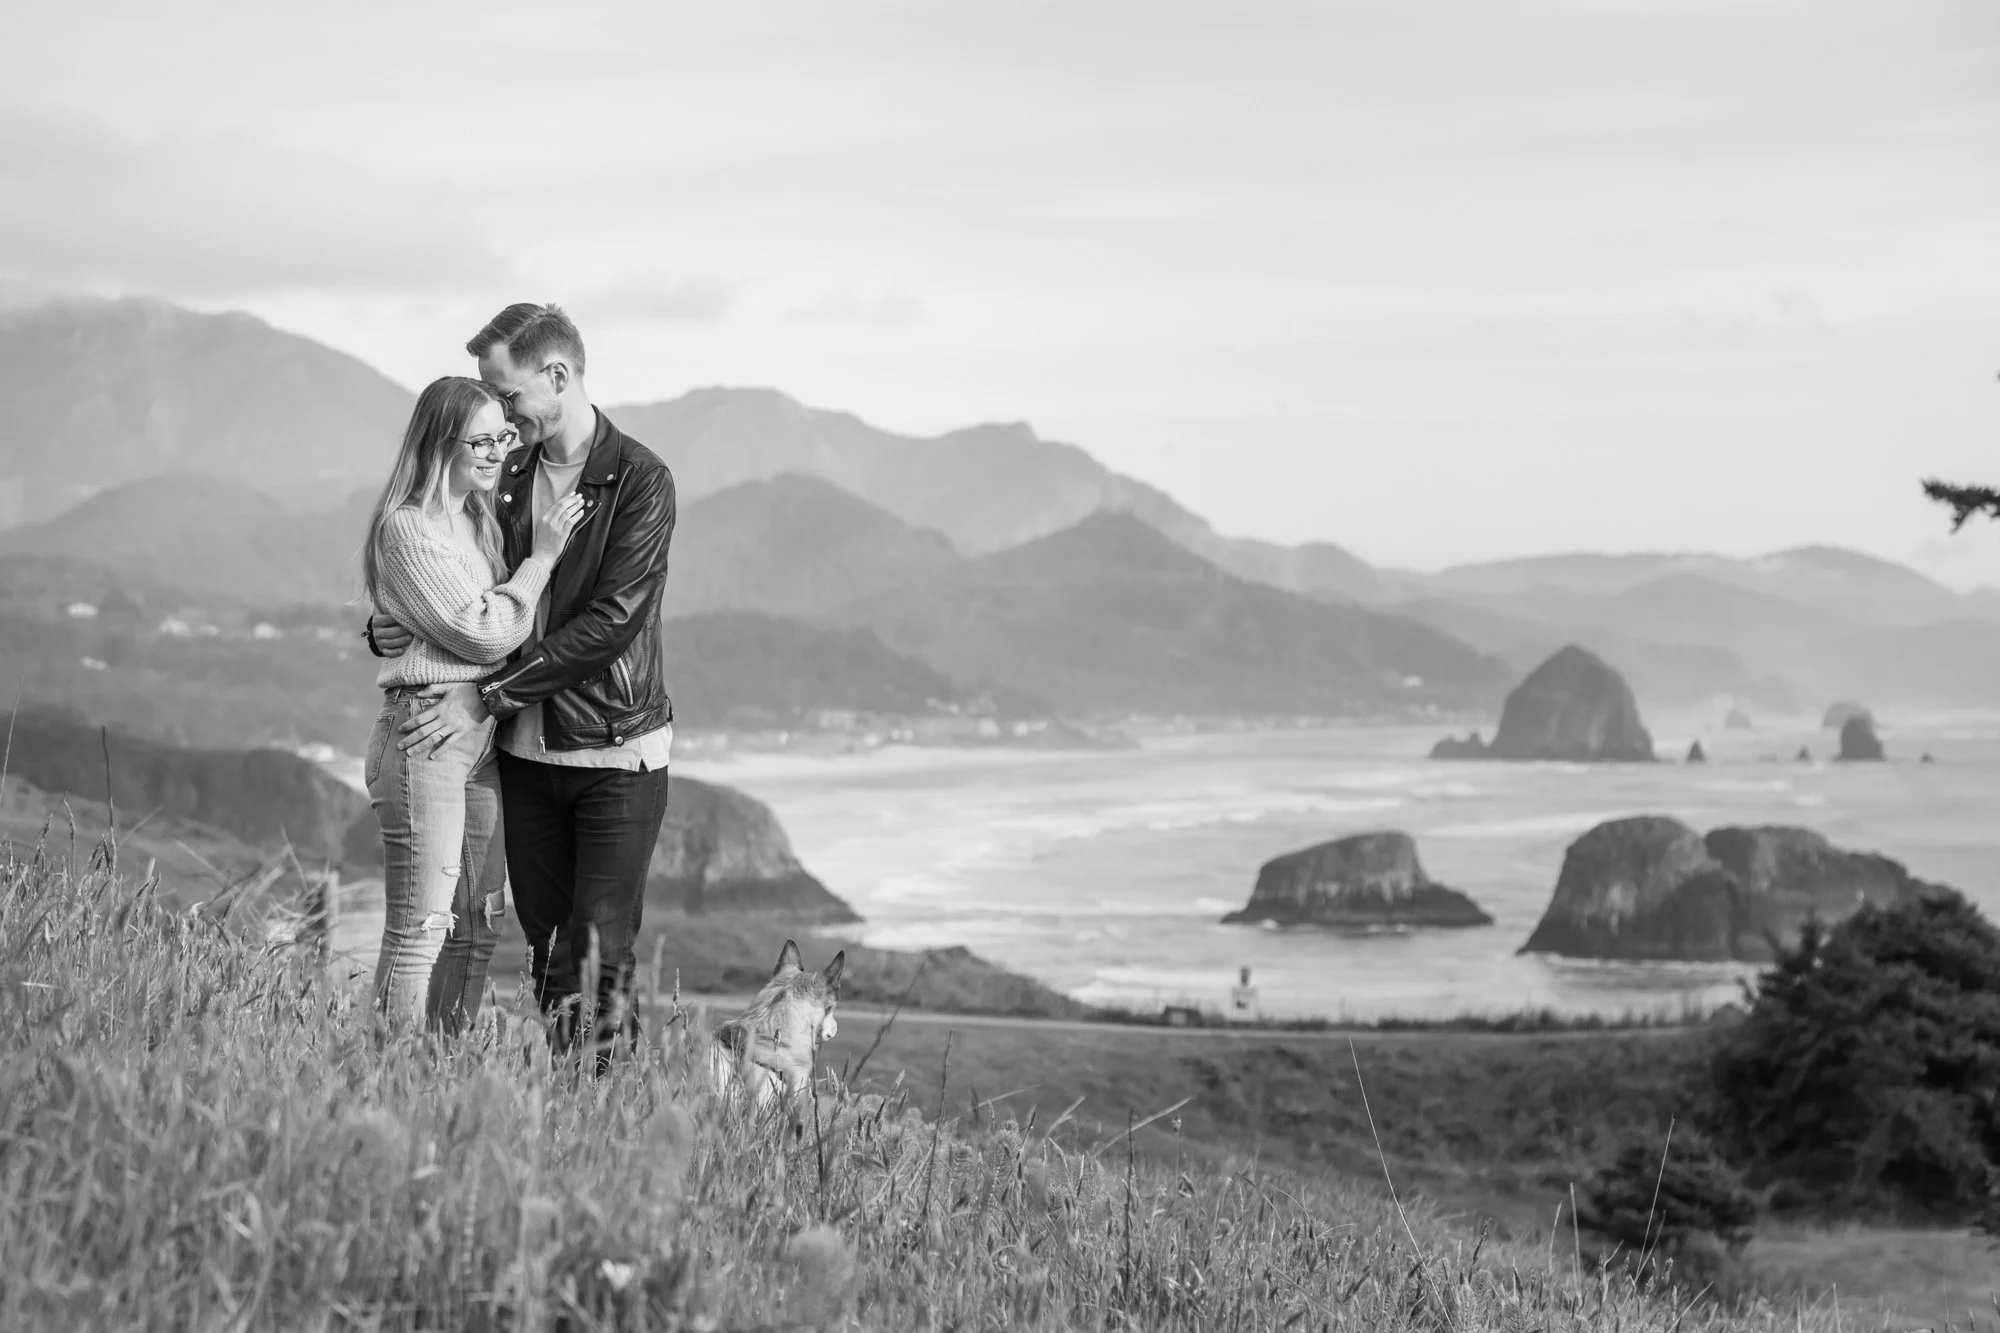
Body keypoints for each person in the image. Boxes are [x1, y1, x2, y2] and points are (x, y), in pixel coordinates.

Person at [368, 304, 678, 1062]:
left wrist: (489, 694)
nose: (499, 417)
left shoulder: (639, 480)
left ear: (559, 375)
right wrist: (392, 626)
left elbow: (612, 621)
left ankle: (607, 1123)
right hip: (522, 757)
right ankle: (573, 1110)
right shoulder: (503, 478)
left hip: (612, 751)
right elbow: (455, 583)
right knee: (545, 955)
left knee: (599, 954)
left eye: (506, 396)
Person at [360, 375, 585, 1033]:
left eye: (502, 438)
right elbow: (485, 630)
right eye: (478, 441)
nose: (495, 453)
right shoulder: (409, 526)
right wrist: (542, 558)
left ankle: (441, 1076)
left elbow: (496, 634)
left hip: (481, 733)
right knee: (423, 929)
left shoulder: (477, 520)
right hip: (425, 733)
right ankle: (386, 1082)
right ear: (439, 445)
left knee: (480, 925)